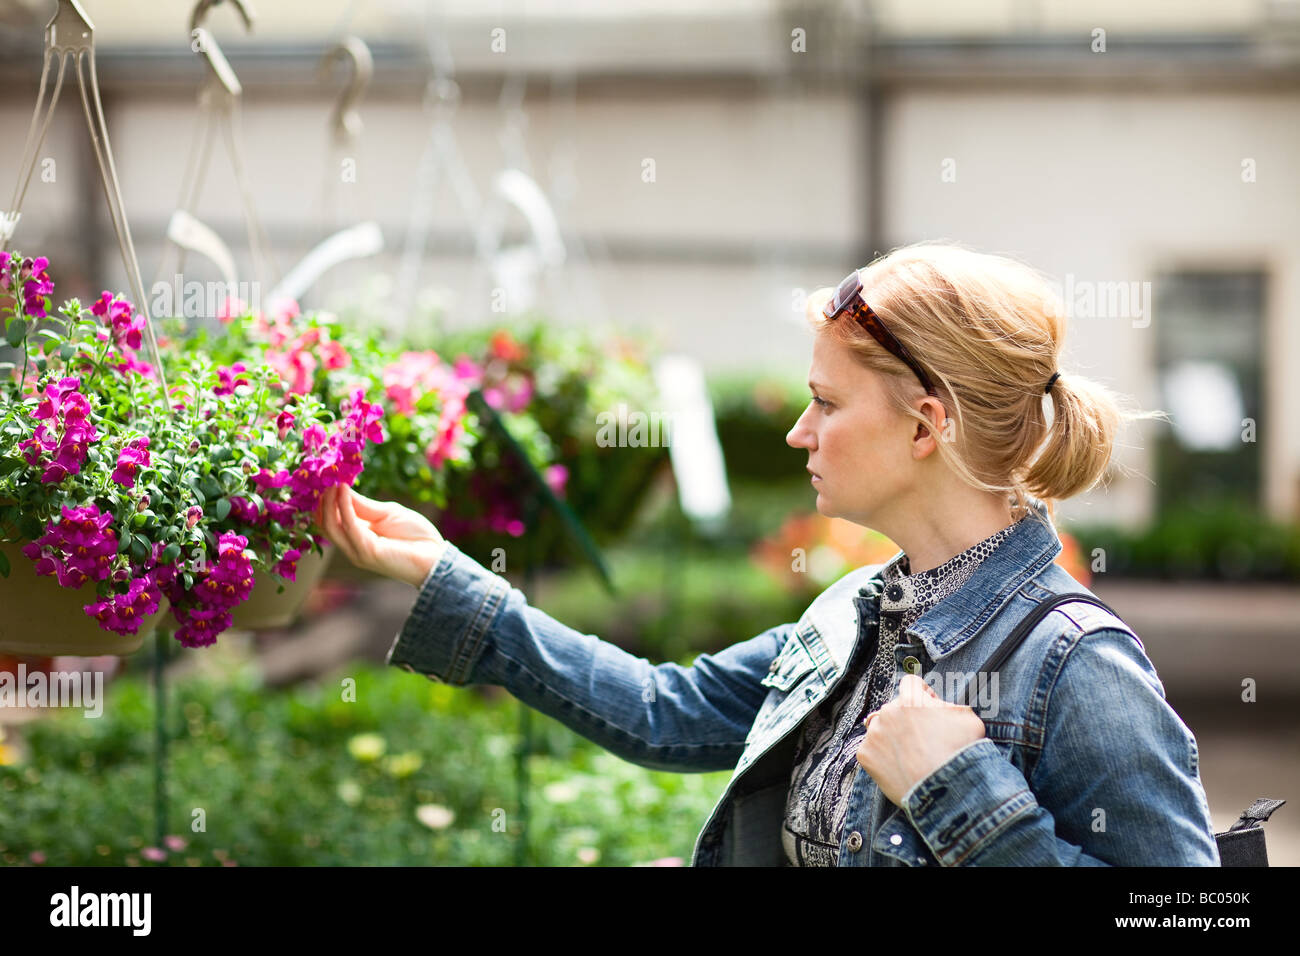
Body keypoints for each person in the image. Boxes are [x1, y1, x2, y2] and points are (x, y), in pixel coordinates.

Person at [314, 241, 1221, 867]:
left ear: (925, 425)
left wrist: (961, 793)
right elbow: (666, 713)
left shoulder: (1077, 663)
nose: (798, 432)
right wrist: (450, 577)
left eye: (826, 403)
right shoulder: (859, 611)